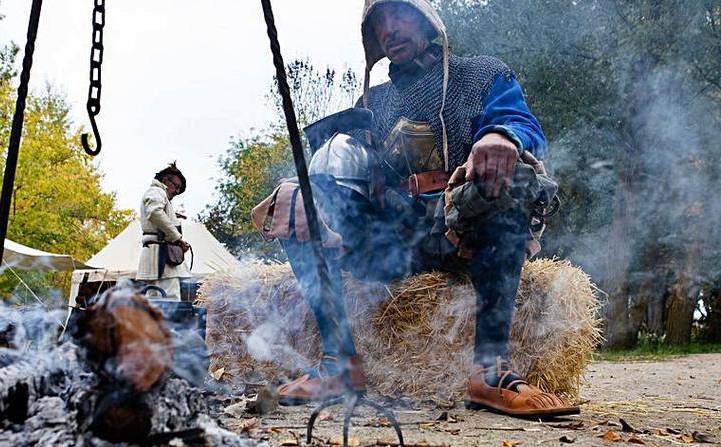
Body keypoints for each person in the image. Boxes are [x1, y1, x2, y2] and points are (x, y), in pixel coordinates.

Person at [258, 0, 577, 417]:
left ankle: (490, 371)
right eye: (380, 24)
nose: (390, 29)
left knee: (511, 173)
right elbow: (350, 185)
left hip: (463, 229)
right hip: (393, 239)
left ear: (427, 22)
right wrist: (317, 194)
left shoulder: (480, 75)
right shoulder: (373, 102)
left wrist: (501, 136)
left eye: (400, 16)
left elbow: (522, 124)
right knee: (295, 199)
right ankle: (339, 363)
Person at [136, 162, 192, 301]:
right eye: (176, 187)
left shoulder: (157, 194)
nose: (176, 192)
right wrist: (177, 238)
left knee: (154, 303)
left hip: (158, 255)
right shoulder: (157, 191)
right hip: (162, 256)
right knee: (170, 302)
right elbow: (154, 212)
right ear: (166, 181)